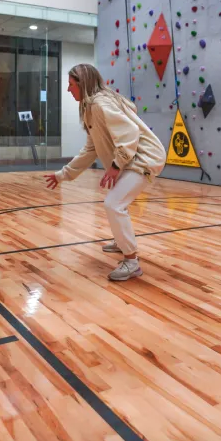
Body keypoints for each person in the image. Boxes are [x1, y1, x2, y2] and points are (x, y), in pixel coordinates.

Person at [45, 63, 166, 281]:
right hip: (132, 158)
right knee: (116, 203)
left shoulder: (100, 104)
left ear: (83, 84)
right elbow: (90, 149)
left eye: (71, 85)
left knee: (114, 204)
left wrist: (115, 165)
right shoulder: (91, 108)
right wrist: (63, 174)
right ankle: (122, 242)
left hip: (146, 158)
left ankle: (131, 262)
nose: (68, 90)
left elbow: (129, 134)